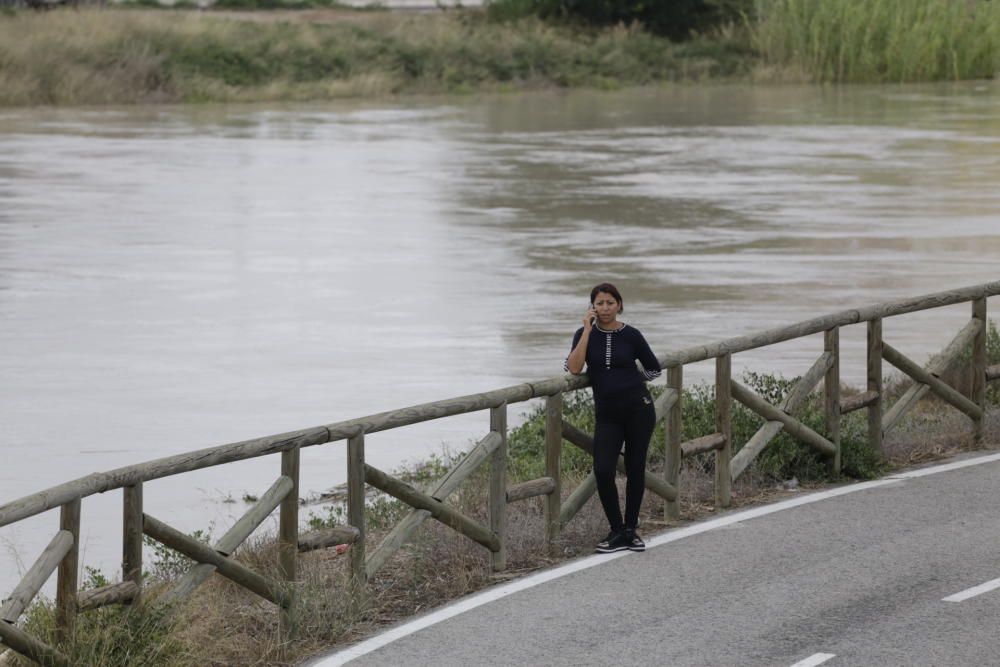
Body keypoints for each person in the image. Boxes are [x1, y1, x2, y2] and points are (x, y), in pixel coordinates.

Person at [564, 283, 661, 553]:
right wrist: (586, 330)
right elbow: (573, 368)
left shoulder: (632, 335)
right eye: (599, 303)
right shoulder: (584, 335)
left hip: (639, 410)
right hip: (607, 415)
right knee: (603, 470)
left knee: (635, 469)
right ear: (592, 307)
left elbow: (654, 370)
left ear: (619, 304)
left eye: (610, 302)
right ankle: (617, 530)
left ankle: (631, 531)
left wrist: (629, 382)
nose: (605, 308)